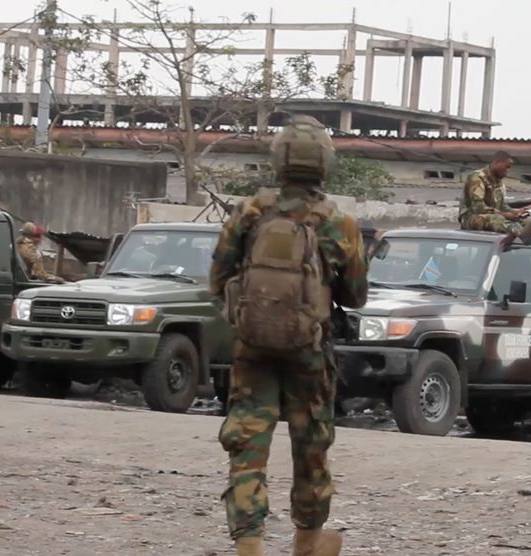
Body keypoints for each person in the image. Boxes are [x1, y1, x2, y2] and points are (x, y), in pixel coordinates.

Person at [209, 115, 368, 556]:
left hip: (253, 349)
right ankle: (307, 545)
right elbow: (356, 296)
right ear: (325, 164)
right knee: (311, 446)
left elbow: (217, 278)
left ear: (278, 160)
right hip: (310, 353)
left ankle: (250, 548)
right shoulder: (339, 222)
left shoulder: (249, 211)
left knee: (247, 445)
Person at [458, 150, 531, 247]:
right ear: (497, 162)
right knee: (496, 218)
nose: (507, 171)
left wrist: (514, 212)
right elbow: (478, 207)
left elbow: (501, 205)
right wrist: (505, 215)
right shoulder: (478, 177)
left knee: (523, 221)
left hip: (492, 215)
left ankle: (517, 233)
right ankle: (519, 233)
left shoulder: (498, 181)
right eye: (506, 167)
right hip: (471, 218)